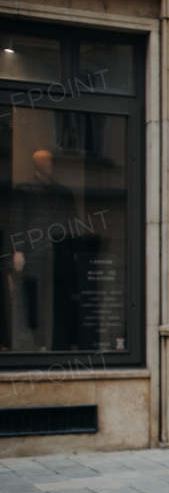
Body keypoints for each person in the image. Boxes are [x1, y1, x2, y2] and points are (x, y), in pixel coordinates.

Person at [9, 150, 77, 351]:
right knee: (35, 298)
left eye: (50, 160)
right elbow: (16, 220)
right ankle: (39, 345)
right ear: (35, 164)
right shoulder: (24, 190)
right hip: (33, 252)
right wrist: (17, 249)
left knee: (63, 297)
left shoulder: (63, 192)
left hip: (59, 252)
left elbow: (73, 223)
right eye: (43, 161)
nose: (48, 164)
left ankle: (67, 342)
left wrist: (73, 250)